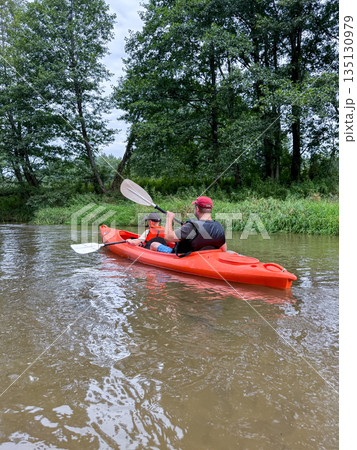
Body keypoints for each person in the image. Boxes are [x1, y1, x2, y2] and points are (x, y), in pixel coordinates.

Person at [150, 196, 227, 255]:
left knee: (154, 244)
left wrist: (169, 218)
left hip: (185, 258)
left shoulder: (191, 226)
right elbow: (223, 249)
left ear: (197, 209)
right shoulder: (219, 226)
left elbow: (168, 238)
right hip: (207, 257)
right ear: (210, 210)